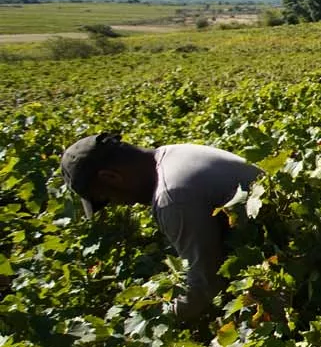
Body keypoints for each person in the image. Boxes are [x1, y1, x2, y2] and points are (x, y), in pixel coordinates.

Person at [59, 133, 262, 320]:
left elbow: (205, 285)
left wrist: (158, 318)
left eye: (106, 198)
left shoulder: (172, 196)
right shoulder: (173, 153)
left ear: (111, 177)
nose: (118, 203)